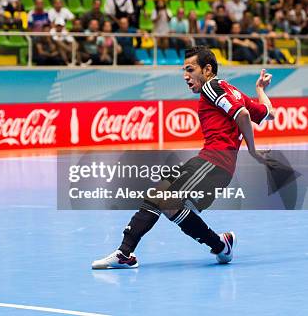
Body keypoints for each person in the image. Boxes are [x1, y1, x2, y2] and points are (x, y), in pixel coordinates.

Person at [92, 47, 274, 269]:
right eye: (184, 70)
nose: (185, 76)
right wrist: (260, 89)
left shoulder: (211, 87)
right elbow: (268, 112)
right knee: (161, 196)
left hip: (213, 163)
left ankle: (127, 253)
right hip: (213, 164)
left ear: (207, 70)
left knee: (165, 200)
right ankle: (217, 245)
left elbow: (243, 115)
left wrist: (253, 151)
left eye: (190, 69)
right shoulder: (231, 90)